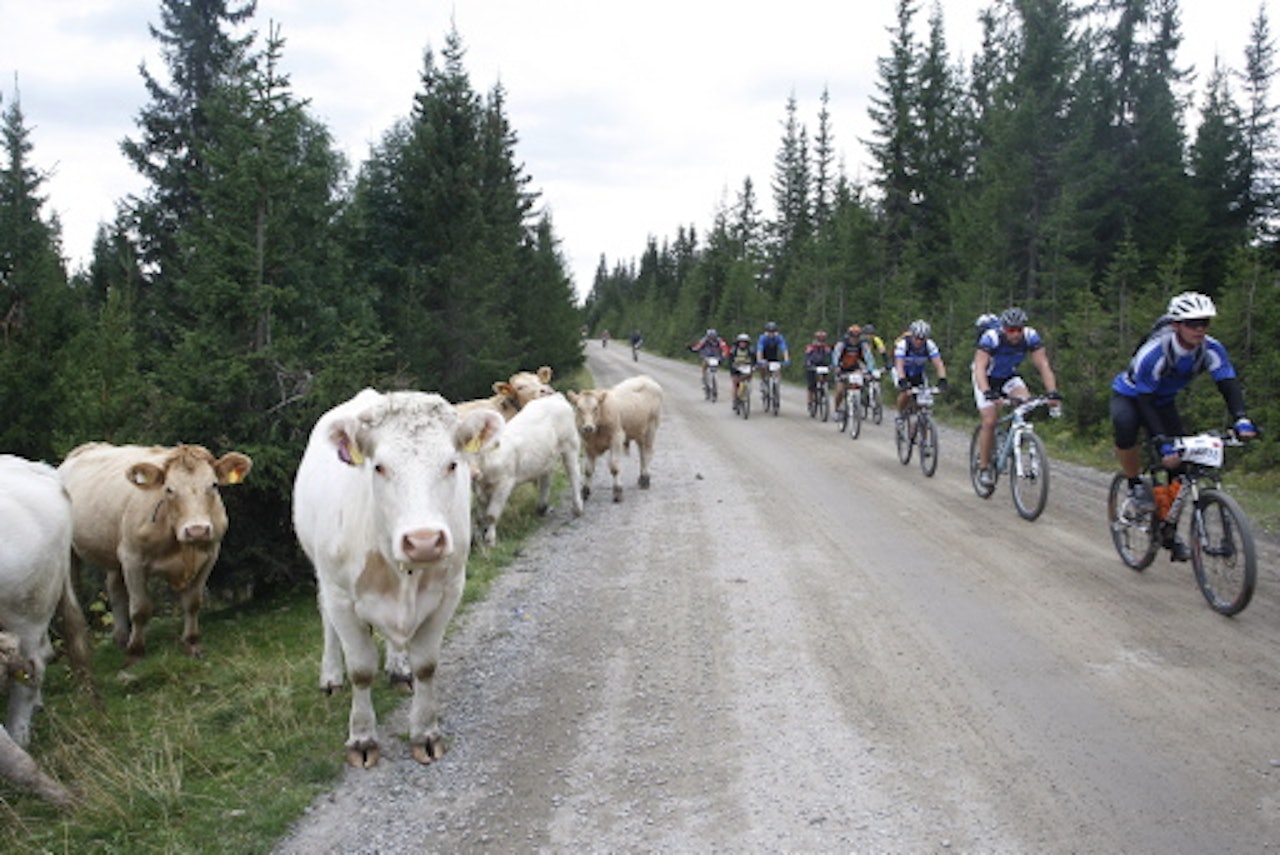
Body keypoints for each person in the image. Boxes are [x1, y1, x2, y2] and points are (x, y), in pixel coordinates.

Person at [1110, 291, 1258, 559]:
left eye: (1204, 323)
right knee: (1125, 425)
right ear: (1176, 325)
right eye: (1192, 323)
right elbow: (1145, 402)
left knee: (1181, 467)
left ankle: (1169, 532)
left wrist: (1241, 419)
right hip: (1133, 397)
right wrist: (1163, 442)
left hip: (1164, 401)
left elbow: (1227, 384)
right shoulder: (1155, 353)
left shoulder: (1211, 349)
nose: (1199, 329)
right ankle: (1133, 482)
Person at [972, 307, 1061, 489]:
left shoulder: (1030, 337)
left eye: (1018, 329)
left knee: (1026, 402)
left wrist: (1052, 392)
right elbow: (980, 367)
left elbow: (1043, 365)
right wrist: (987, 391)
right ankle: (984, 468)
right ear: (1003, 328)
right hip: (985, 378)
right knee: (989, 420)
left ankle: (1009, 436)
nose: (1015, 334)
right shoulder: (991, 337)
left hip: (1007, 377)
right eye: (1011, 330)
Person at [894, 319, 948, 418]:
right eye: (917, 338)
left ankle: (918, 424)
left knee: (922, 402)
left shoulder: (929, 345)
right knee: (906, 393)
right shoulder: (903, 344)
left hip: (917, 373)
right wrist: (902, 380)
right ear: (912, 336)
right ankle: (899, 415)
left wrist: (942, 379)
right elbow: (899, 364)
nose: (919, 341)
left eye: (922, 339)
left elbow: (938, 363)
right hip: (902, 372)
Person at [832, 324, 874, 419]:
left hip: (854, 367)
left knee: (862, 384)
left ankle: (859, 404)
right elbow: (835, 356)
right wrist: (837, 368)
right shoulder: (842, 344)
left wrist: (870, 371)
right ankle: (837, 409)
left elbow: (868, 357)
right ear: (849, 336)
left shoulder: (862, 344)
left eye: (857, 337)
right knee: (840, 391)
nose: (854, 339)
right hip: (842, 368)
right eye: (852, 336)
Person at [755, 322, 791, 391]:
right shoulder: (763, 338)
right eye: (769, 332)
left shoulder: (779, 338)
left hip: (773, 357)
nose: (771, 333)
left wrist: (787, 360)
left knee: (777, 369)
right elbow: (759, 350)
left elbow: (784, 349)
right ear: (766, 332)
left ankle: (776, 386)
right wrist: (759, 360)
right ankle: (763, 381)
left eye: (773, 332)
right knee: (763, 367)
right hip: (764, 356)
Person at [803, 331, 833, 409]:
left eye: (822, 340)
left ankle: (824, 391)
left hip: (823, 365)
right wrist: (808, 363)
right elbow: (807, 356)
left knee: (824, 379)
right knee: (811, 385)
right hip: (812, 365)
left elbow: (831, 357)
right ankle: (810, 400)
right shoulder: (811, 347)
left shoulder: (826, 348)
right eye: (819, 340)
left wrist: (832, 364)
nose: (821, 342)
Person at [727, 333, 755, 405]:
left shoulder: (751, 349)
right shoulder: (734, 349)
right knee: (735, 383)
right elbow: (730, 360)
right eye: (741, 342)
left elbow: (754, 359)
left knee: (748, 378)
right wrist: (732, 367)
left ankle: (746, 391)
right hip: (736, 367)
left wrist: (754, 366)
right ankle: (735, 399)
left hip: (746, 366)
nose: (742, 344)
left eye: (744, 342)